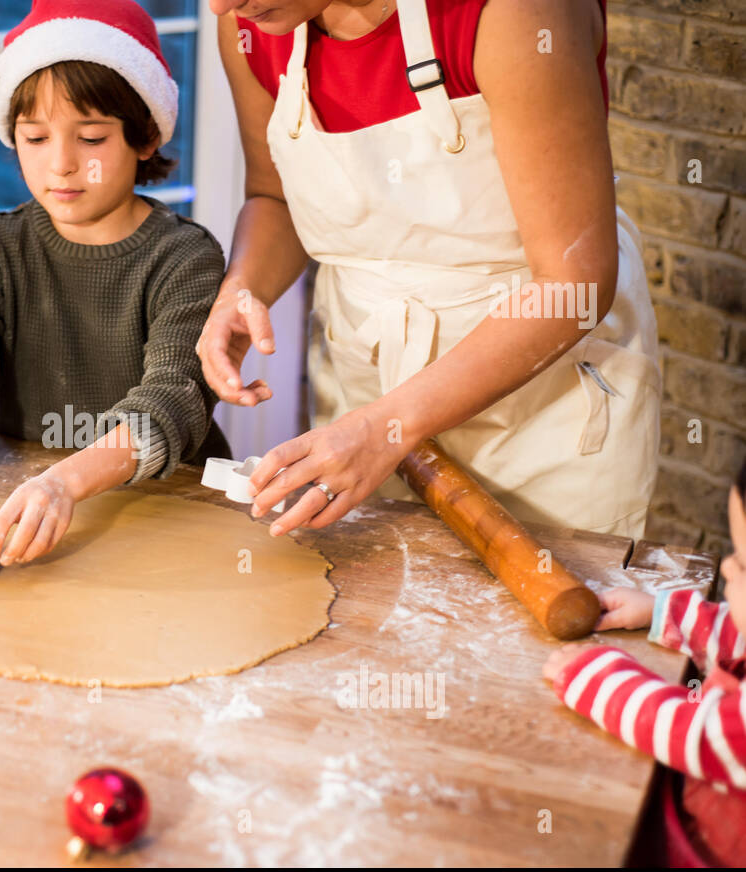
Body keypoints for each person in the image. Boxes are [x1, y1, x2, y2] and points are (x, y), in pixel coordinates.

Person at [197, 0, 659, 539]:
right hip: (359, 399)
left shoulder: (511, 13)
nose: (221, 6)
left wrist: (388, 427)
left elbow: (572, 286)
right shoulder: (250, 25)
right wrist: (243, 288)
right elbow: (274, 196)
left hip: (542, 419)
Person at [0, 0, 230, 565]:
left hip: (169, 513)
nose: (62, 165)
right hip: (30, 507)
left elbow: (172, 399)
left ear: (145, 138)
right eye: (36, 137)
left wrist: (62, 483)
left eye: (91, 138)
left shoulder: (184, 257)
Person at [544, 458, 746, 867]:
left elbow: (689, 732)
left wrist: (597, 677)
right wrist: (662, 613)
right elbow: (735, 635)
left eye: (742, 563)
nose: (726, 566)